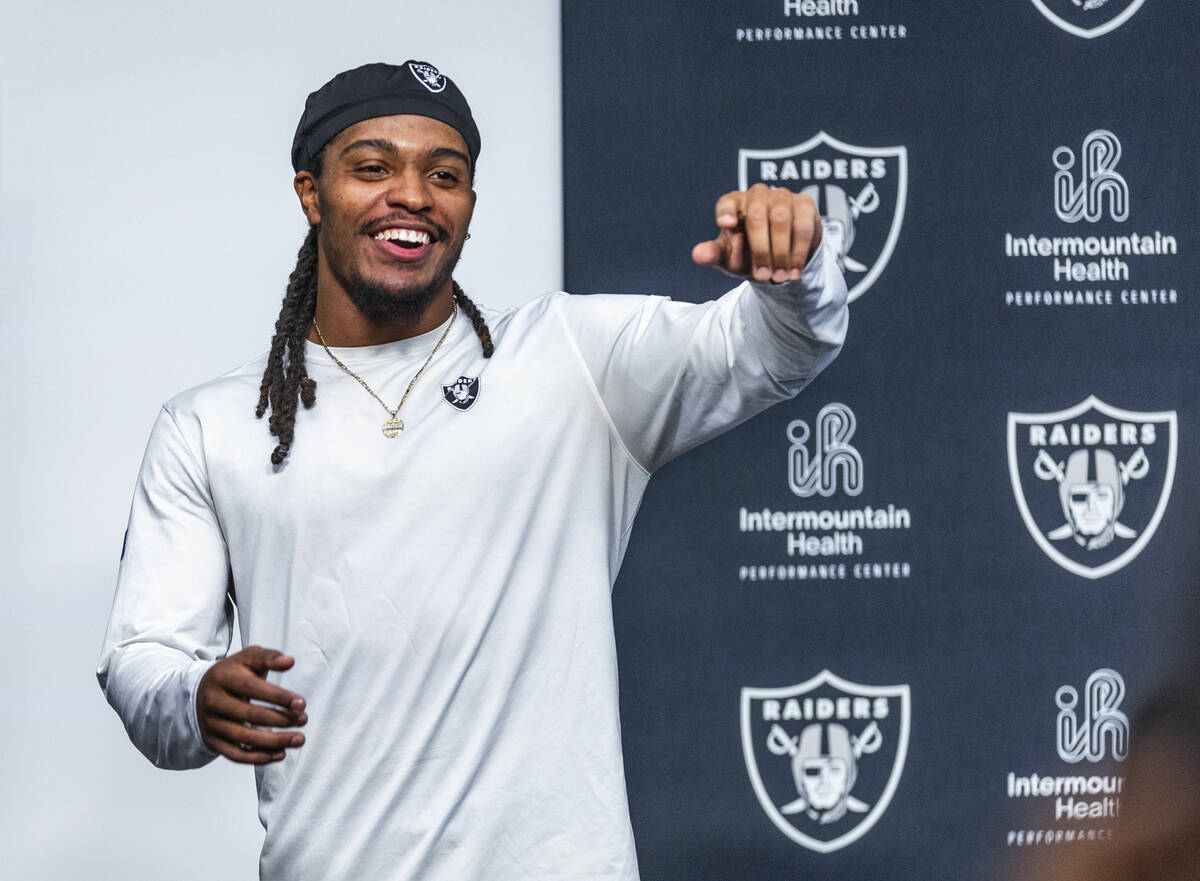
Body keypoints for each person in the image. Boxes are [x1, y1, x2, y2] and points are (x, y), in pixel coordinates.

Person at [97, 60, 848, 880]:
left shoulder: (568, 361)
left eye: (444, 175)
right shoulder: (209, 428)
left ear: (469, 208)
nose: (413, 195)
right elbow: (144, 657)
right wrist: (197, 696)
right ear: (312, 195)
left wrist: (796, 268)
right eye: (374, 167)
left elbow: (777, 348)